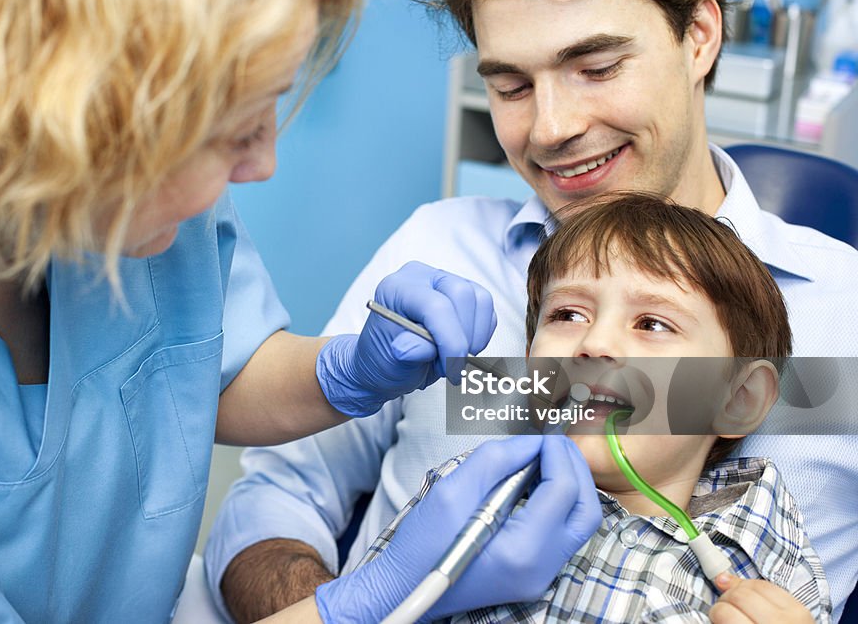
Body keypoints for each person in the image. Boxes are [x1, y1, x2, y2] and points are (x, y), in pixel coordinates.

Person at [0, 0, 606, 622]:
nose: (259, 163)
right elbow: (276, 500)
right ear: (55, 112)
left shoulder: (146, 200)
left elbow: (202, 372)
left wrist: (345, 370)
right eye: (222, 127)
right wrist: (382, 593)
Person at [206, 0, 858, 621]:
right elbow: (277, 496)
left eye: (597, 67)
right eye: (511, 86)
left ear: (698, 37)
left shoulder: (846, 312)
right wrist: (352, 606)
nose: (551, 129)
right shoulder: (441, 253)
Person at [355, 192, 831, 623]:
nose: (595, 342)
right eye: (567, 315)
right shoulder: (464, 495)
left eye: (652, 323)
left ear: (737, 400)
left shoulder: (767, 544)